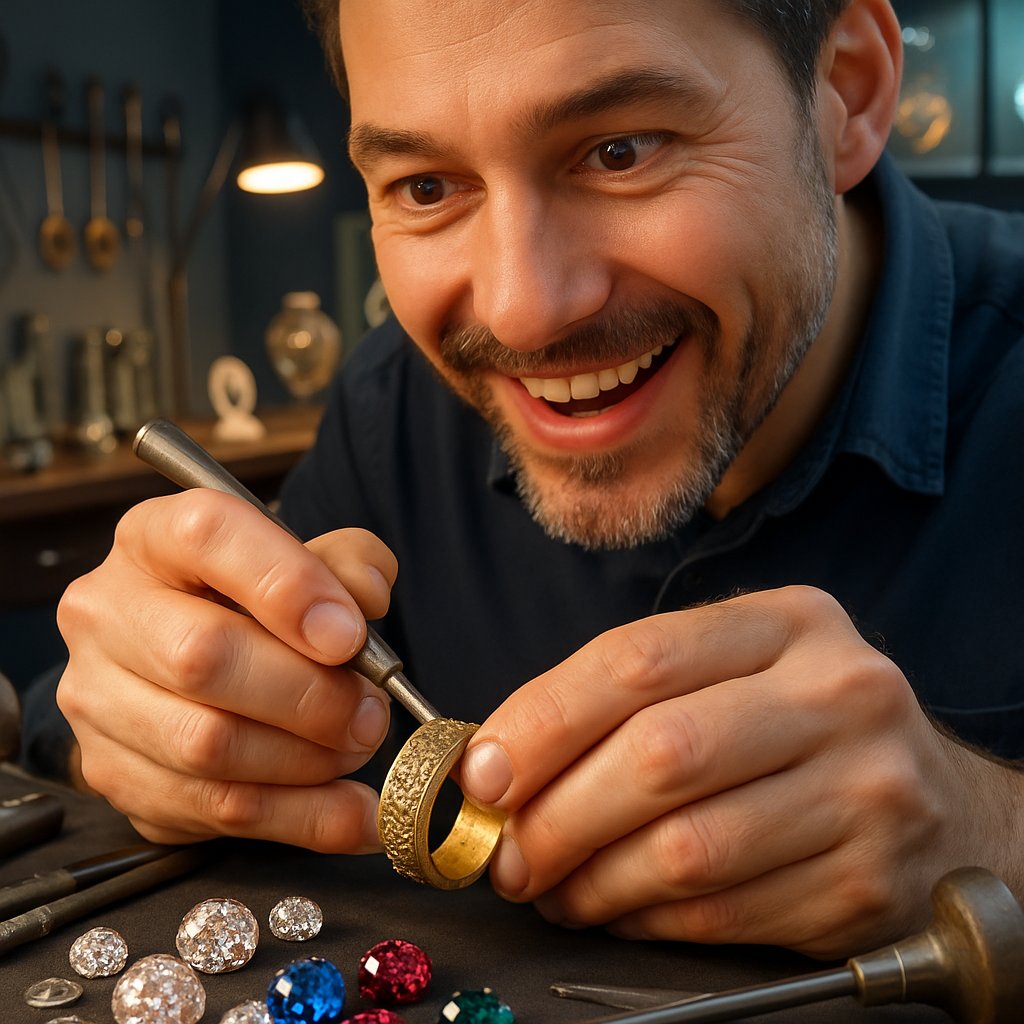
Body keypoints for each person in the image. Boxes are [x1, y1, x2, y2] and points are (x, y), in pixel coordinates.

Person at [46, 0, 1024, 960]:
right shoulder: (393, 408)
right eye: (426, 188)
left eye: (621, 150)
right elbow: (169, 709)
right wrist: (150, 718)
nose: (521, 313)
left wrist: (993, 839)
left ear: (846, 94)